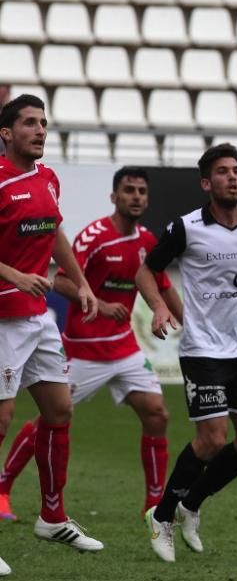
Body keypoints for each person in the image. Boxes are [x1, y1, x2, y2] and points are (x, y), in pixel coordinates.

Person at [0, 167, 183, 522]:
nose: (136, 197)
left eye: (142, 191)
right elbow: (63, 282)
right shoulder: (94, 237)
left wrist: (187, 323)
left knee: (157, 414)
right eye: (128, 190)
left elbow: (160, 284)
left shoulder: (147, 241)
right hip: (84, 351)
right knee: (47, 420)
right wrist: (99, 303)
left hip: (125, 348)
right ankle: (3, 487)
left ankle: (154, 506)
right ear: (114, 197)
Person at [137, 144, 237, 563]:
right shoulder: (187, 227)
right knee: (211, 439)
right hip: (201, 349)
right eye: (223, 172)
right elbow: (146, 270)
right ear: (207, 183)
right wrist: (159, 307)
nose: (233, 177)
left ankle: (191, 504)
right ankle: (162, 516)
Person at [0, 95, 106, 577]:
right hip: (3, 315)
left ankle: (52, 516)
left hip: (38, 317)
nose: (40, 129)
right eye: (29, 122)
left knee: (59, 410)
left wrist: (80, 281)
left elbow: (56, 231)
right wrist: (16, 276)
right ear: (6, 133)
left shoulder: (47, 178)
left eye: (44, 122)